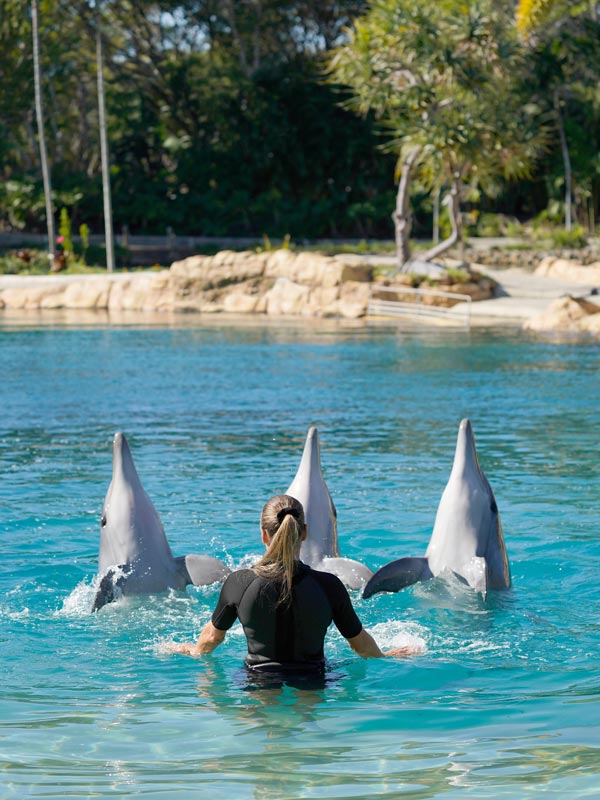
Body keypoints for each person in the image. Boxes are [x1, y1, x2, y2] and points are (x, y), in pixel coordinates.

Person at [166, 494, 417, 671]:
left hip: (258, 684)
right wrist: (387, 656)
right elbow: (360, 644)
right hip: (314, 683)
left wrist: (190, 650)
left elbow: (211, 639)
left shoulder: (239, 582)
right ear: (304, 532)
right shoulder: (329, 585)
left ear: (264, 534)